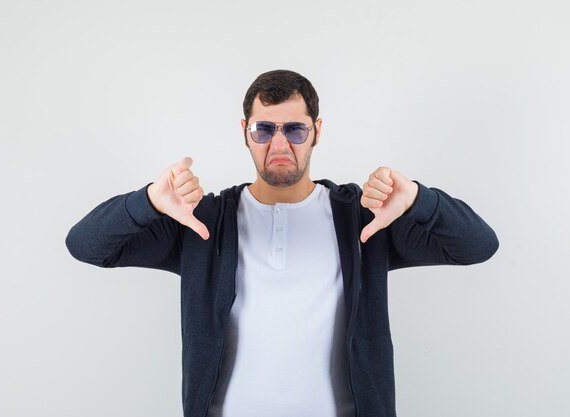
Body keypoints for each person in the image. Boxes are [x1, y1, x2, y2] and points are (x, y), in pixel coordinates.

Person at [65, 69, 499, 417]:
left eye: (294, 129)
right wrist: (146, 202)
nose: (278, 144)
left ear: (316, 131)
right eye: (263, 129)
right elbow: (87, 245)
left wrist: (420, 200)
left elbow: (477, 246)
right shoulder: (203, 224)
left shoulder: (363, 219)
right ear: (244, 131)